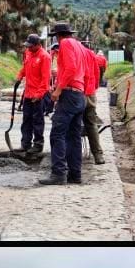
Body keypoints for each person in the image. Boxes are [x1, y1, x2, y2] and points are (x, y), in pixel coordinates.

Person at [39, 22, 88, 186]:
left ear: (58, 36)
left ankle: (58, 173)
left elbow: (71, 68)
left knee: (57, 134)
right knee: (73, 137)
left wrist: (58, 90)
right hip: (79, 94)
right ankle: (76, 174)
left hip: (69, 94)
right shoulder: (79, 46)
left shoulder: (65, 44)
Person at [14, 33, 51, 154]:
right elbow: (24, 68)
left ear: (38, 45)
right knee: (26, 120)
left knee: (38, 120)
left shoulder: (45, 57)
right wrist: (19, 77)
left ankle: (38, 145)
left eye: (31, 46)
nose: (28, 48)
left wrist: (39, 94)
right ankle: (25, 144)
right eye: (27, 46)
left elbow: (46, 79)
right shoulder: (28, 53)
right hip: (28, 93)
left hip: (38, 95)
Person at [81, 43, 106, 165]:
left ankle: (70, 155)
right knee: (91, 123)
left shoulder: (74, 53)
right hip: (89, 93)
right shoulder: (92, 55)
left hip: (76, 93)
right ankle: (98, 155)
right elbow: (97, 74)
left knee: (72, 124)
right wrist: (93, 88)